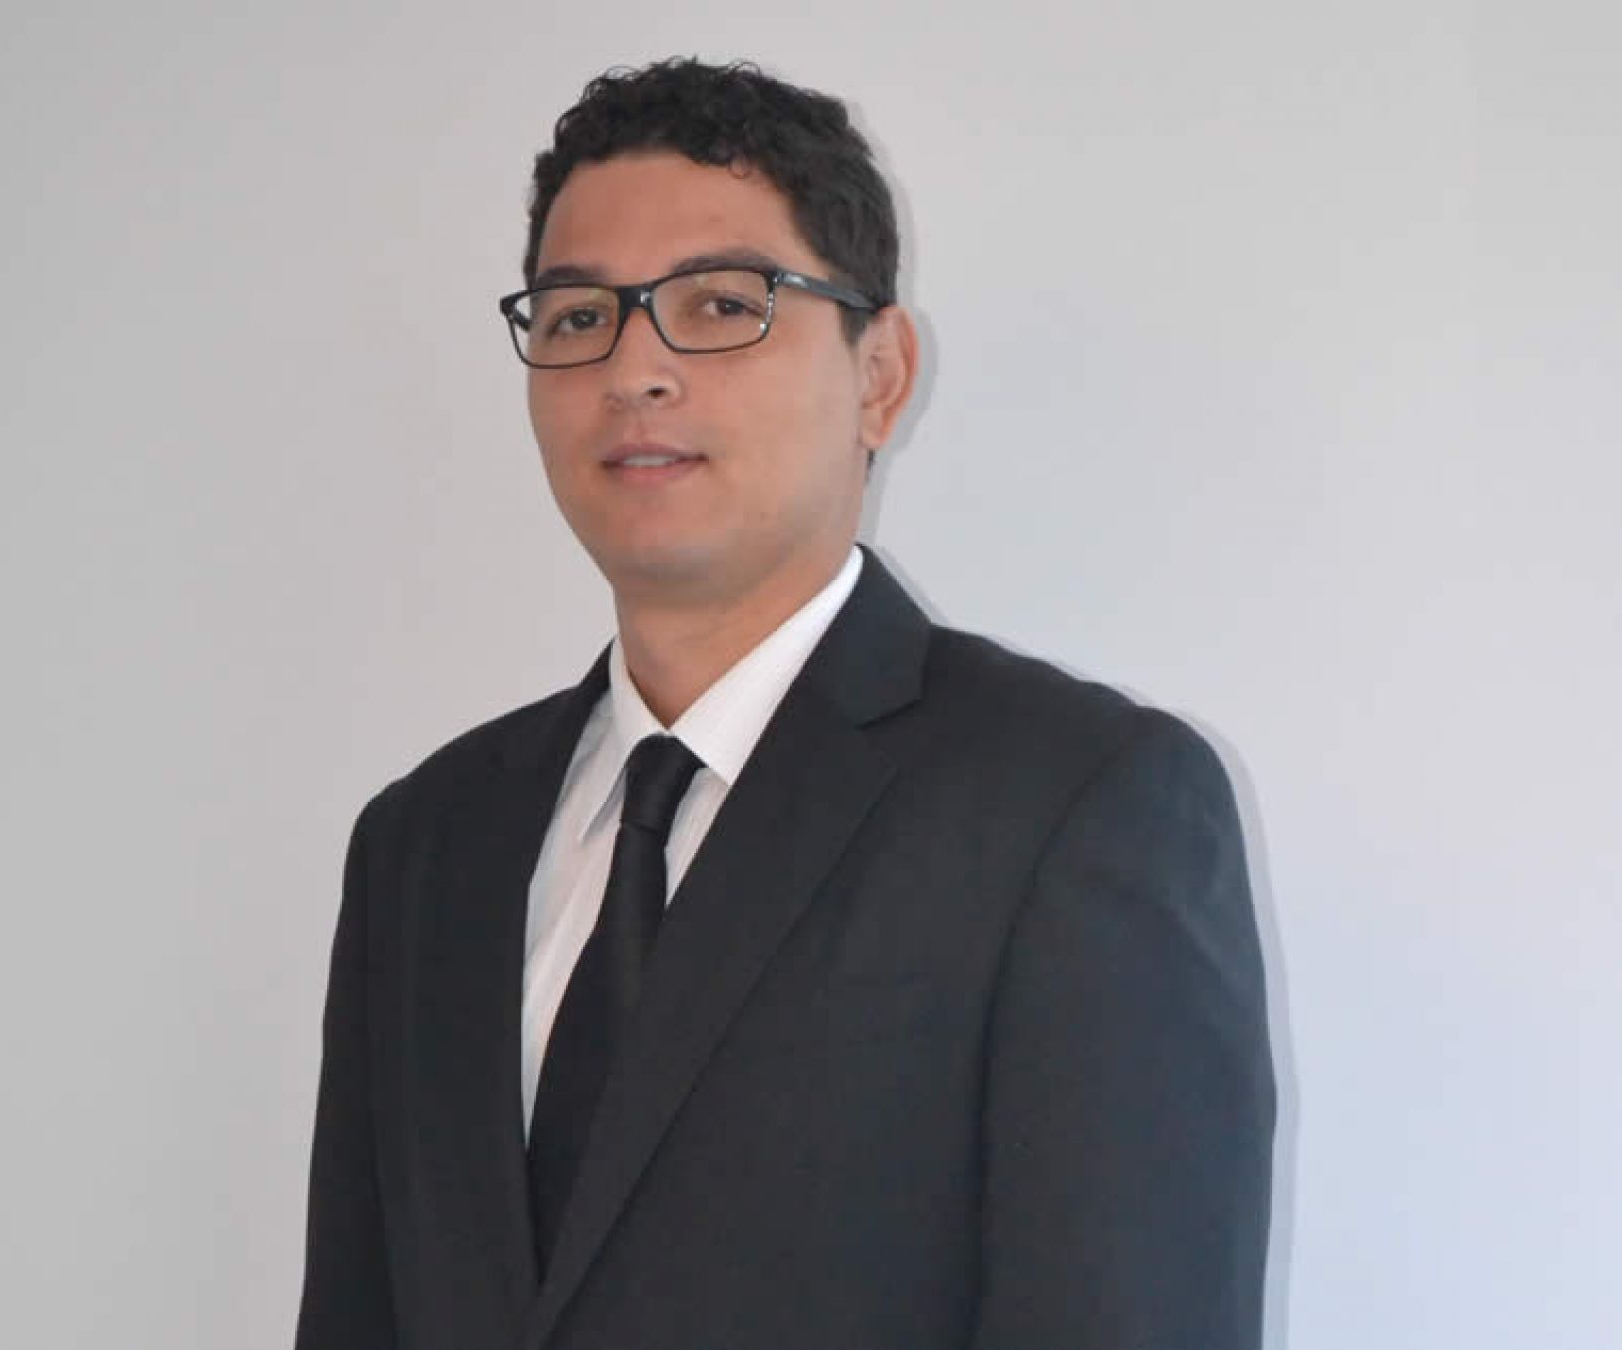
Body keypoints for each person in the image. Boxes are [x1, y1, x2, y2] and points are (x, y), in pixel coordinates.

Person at [295, 57, 1276, 1350]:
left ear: (881, 373)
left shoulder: (1076, 806)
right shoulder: (423, 844)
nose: (636, 369)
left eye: (720, 303)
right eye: (579, 316)